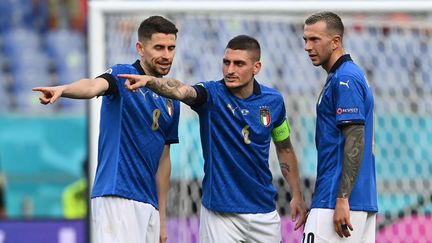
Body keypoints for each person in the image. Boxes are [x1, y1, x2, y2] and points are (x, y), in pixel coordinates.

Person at [118, 34, 307, 243]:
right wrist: (152, 82)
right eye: (226, 62)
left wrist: (296, 194)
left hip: (263, 212)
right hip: (219, 216)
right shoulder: (211, 95)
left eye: (239, 63)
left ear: (256, 67)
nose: (230, 70)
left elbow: (285, 148)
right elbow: (182, 90)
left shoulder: (273, 102)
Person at [32, 16, 180, 243]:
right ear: (140, 48)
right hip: (118, 196)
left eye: (171, 48)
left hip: (149, 204)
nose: (166, 55)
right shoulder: (123, 75)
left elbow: (164, 161)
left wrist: (161, 218)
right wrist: (64, 89)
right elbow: (92, 86)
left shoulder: (171, 99)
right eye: (159, 47)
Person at [302, 11, 377, 242]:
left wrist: (342, 198)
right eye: (305, 39)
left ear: (335, 42)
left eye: (315, 39)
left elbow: (355, 137)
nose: (307, 47)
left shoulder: (345, 79)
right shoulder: (346, 76)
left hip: (337, 201)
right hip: (357, 201)